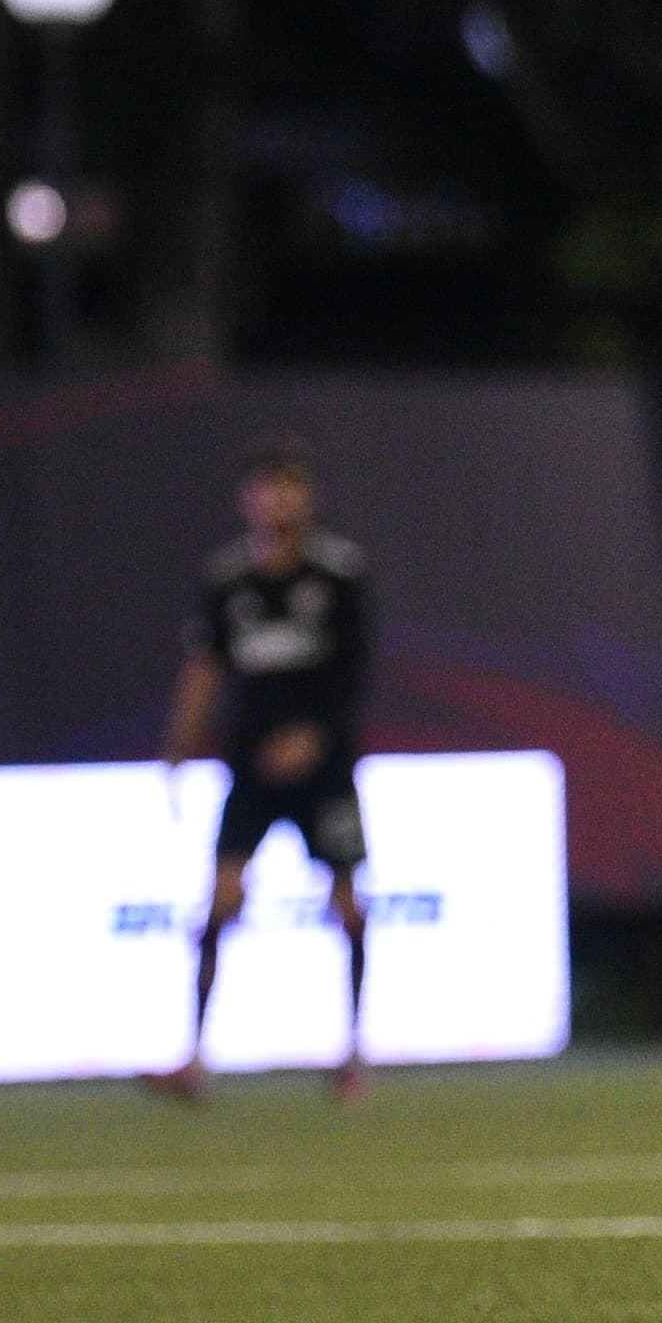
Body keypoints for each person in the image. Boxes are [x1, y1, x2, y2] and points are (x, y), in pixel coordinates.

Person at [155, 444, 374, 1103]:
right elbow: (205, 667)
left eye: (290, 489)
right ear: (248, 499)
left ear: (309, 499)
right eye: (267, 489)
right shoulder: (226, 581)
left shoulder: (339, 575)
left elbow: (355, 672)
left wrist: (314, 735)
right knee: (221, 900)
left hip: (324, 770)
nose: (278, 501)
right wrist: (179, 741)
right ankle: (193, 1058)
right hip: (251, 768)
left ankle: (352, 1055)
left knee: (348, 906)